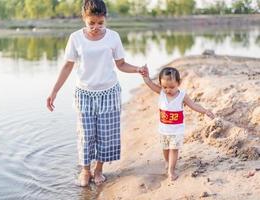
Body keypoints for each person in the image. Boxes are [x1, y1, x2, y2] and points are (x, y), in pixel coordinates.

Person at [46, 0, 145, 187]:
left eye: (100, 23)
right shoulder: (75, 38)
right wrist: (54, 91)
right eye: (91, 23)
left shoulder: (113, 37)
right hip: (84, 93)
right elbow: (67, 66)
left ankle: (99, 169)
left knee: (106, 135)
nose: (96, 27)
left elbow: (121, 64)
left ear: (105, 19)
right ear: (84, 18)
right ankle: (85, 170)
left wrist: (138, 69)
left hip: (109, 92)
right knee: (86, 134)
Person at [141, 66, 215, 181]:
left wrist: (205, 111)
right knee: (165, 148)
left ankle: (171, 170)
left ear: (178, 83)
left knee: (174, 149)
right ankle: (167, 161)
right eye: (164, 87)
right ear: (160, 84)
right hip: (164, 130)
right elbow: (149, 83)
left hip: (177, 130)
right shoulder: (161, 93)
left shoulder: (182, 96)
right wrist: (145, 76)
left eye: (171, 87)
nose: (168, 90)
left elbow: (193, 105)